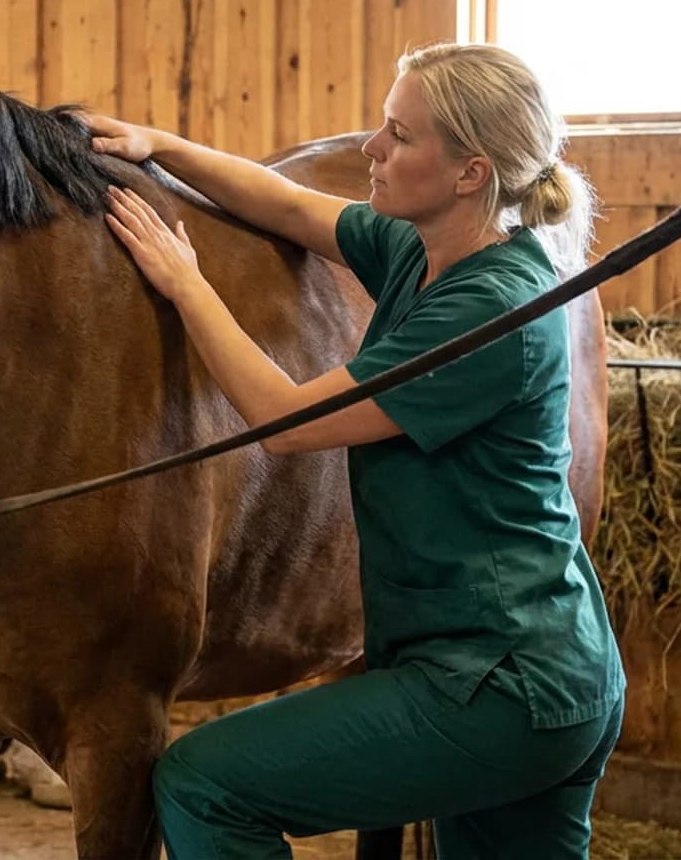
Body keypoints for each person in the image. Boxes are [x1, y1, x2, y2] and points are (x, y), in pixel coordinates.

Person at [89, 42, 624, 859]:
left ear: (471, 173)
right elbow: (289, 205)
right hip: (545, 672)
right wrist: (161, 146)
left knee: (204, 784)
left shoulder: (487, 311)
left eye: (400, 135)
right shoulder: (427, 253)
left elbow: (284, 420)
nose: (373, 147)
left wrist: (186, 283)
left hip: (498, 683)